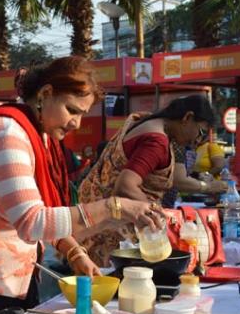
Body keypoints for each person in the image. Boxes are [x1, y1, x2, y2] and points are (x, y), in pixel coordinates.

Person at [0, 56, 165, 314]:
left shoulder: (38, 133)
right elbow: (33, 222)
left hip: (7, 279)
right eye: (72, 110)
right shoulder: (7, 132)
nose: (76, 123)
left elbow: (45, 209)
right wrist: (114, 207)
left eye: (82, 114)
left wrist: (74, 252)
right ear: (45, 94)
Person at [79, 94, 227, 266]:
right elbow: (126, 186)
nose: (197, 140)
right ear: (187, 117)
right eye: (200, 132)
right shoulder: (156, 142)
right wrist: (157, 215)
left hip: (94, 219)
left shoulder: (146, 122)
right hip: (111, 231)